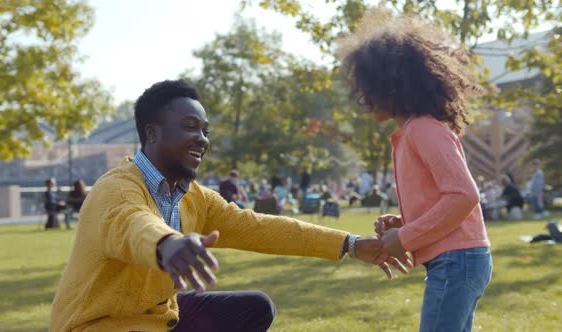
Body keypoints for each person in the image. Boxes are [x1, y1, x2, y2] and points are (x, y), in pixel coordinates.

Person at [50, 79, 411, 332]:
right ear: (152, 132)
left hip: (157, 320)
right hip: (98, 326)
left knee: (255, 308)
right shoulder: (115, 188)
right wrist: (168, 243)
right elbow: (132, 224)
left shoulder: (196, 198)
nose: (202, 139)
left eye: (205, 130)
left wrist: (348, 243)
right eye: (190, 127)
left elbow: (263, 228)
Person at [337, 10, 492, 332]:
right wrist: (405, 222)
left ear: (394, 85)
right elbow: (444, 199)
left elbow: (464, 195)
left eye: (368, 85)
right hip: (456, 261)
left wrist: (406, 237)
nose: (363, 97)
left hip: (457, 261)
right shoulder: (413, 132)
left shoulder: (424, 129)